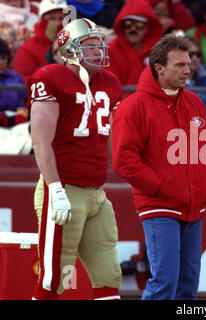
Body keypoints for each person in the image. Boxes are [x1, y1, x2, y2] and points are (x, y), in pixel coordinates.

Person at [112, 34, 206, 300]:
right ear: (159, 68)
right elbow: (124, 160)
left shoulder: (194, 102)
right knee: (164, 284)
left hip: (194, 206)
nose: (188, 69)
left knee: (187, 287)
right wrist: (161, 186)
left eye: (189, 63)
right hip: (159, 206)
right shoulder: (134, 106)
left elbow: (205, 149)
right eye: (180, 65)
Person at [28, 18, 122, 300]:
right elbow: (40, 141)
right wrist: (55, 189)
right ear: (70, 50)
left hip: (96, 193)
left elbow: (109, 143)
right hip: (63, 189)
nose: (99, 51)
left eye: (100, 44)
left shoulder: (110, 83)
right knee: (53, 278)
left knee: (110, 275)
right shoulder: (51, 77)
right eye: (89, 45)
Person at [107, 0, 163, 87]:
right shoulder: (111, 50)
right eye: (128, 24)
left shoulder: (159, 51)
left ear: (147, 28)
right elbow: (110, 83)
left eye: (139, 25)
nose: (133, 29)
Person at [14, 0, 68, 82]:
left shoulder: (75, 44)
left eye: (61, 18)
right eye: (52, 18)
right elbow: (24, 79)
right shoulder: (28, 48)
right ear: (40, 20)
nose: (57, 23)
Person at [0, 37, 28, 128]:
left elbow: (24, 102)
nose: (1, 62)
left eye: (3, 58)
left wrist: (22, 114)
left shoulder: (17, 78)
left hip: (16, 126)